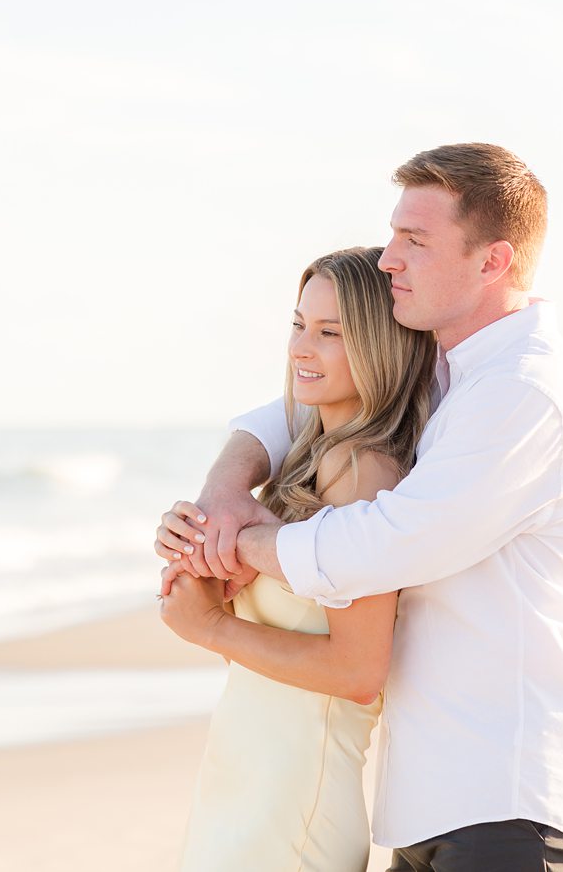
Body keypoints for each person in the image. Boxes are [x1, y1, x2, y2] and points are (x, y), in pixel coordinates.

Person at [156, 143, 563, 871]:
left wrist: (240, 548)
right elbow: (298, 411)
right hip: (437, 799)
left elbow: (383, 543)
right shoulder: (450, 372)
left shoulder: (522, 391)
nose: (388, 260)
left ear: (492, 261)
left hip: (514, 797)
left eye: (415, 240)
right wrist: (224, 492)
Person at [158, 245, 436, 872]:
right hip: (245, 778)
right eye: (298, 324)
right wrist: (200, 545)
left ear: (380, 346)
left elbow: (358, 670)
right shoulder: (311, 454)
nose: (300, 348)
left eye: (330, 332)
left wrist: (212, 628)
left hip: (294, 798)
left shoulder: (362, 468)